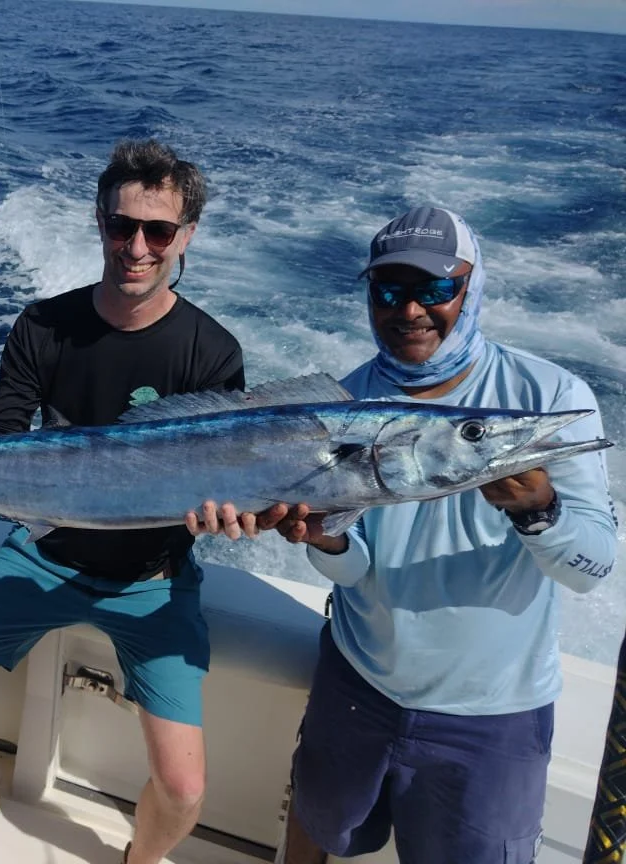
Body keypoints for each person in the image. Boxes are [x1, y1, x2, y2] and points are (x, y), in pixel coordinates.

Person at [0, 139, 246, 864]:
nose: (137, 248)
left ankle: (138, 860)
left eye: (158, 232)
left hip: (153, 582)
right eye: (123, 227)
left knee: (183, 789)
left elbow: (220, 480)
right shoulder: (42, 326)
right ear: (98, 222)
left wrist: (229, 513)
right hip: (42, 556)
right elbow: (2, 439)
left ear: (187, 238)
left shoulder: (212, 352)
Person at [264, 207, 617, 864]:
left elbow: (592, 569)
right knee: (314, 824)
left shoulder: (547, 395)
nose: (411, 309)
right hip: (357, 686)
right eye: (391, 290)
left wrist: (540, 512)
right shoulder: (344, 406)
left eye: (435, 289)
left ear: (471, 288)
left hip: (492, 717)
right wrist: (326, 539)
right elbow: (353, 566)